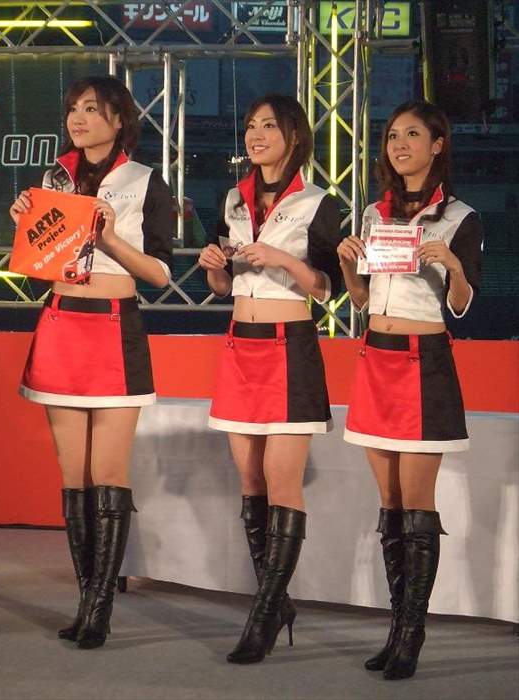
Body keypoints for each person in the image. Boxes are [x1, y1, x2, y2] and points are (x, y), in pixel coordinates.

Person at [9, 76, 173, 650]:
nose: (78, 118)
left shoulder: (146, 181)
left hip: (114, 328)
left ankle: (100, 608)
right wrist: (27, 224)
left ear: (120, 119)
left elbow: (160, 274)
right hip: (59, 324)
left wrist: (109, 239)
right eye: (73, 109)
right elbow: (39, 265)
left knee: (108, 473)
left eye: (92, 109)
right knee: (74, 477)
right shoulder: (54, 178)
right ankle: (87, 600)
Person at [338, 100, 483, 680]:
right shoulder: (374, 213)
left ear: (437, 144)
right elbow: (363, 300)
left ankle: (412, 634)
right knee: (391, 504)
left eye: (413, 135)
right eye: (393, 135)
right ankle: (397, 626)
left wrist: (453, 266)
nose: (399, 144)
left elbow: (462, 306)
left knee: (418, 504)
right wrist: (347, 263)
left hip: (425, 364)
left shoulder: (460, 217)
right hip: (376, 357)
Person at [199, 94, 342, 664]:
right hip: (240, 345)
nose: (256, 135)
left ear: (294, 136)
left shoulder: (317, 203)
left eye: (269, 126)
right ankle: (275, 602)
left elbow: (328, 289)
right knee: (251, 480)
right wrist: (214, 268)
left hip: (290, 347)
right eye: (251, 125)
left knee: (283, 481)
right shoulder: (234, 199)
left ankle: (261, 618)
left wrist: (282, 260)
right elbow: (223, 286)